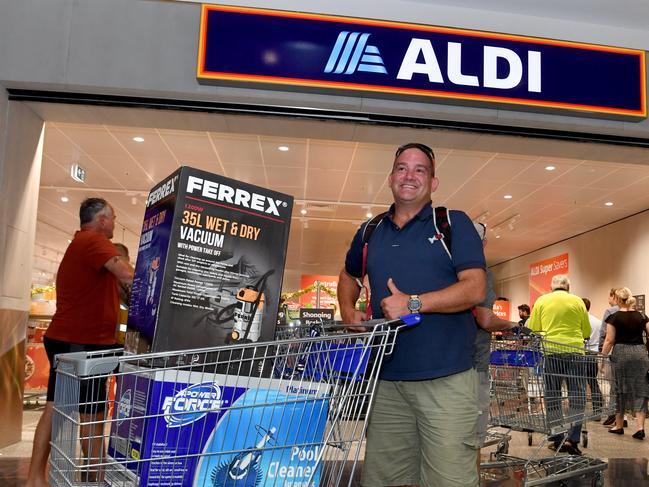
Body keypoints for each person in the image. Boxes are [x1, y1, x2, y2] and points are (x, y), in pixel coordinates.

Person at [337, 142, 486, 487]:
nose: (409, 176)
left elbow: (475, 287)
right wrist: (348, 309)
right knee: (383, 479)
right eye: (402, 168)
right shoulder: (370, 230)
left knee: (450, 480)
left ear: (433, 183)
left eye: (420, 170)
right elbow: (348, 275)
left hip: (446, 381)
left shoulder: (452, 224)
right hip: (387, 381)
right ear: (391, 177)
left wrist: (413, 304)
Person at [26, 198, 134, 487]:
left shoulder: (85, 246)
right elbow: (128, 275)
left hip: (83, 341)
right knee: (79, 411)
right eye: (112, 217)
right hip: (79, 342)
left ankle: (92, 475)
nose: (114, 222)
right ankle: (43, 476)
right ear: (101, 220)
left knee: (89, 409)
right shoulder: (94, 241)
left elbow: (118, 290)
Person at [528, 274, 591, 455]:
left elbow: (534, 328)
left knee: (553, 396)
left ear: (551, 287)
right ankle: (573, 439)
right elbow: (586, 330)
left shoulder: (542, 301)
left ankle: (556, 439)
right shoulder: (578, 301)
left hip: (551, 353)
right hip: (575, 353)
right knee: (577, 396)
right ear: (568, 287)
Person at [471, 222, 516, 471]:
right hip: (474, 364)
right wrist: (513, 326)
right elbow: (485, 319)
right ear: (484, 243)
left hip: (444, 364)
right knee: (473, 435)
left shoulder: (442, 269)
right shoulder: (480, 272)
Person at [601, 287, 649, 439]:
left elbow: (609, 341)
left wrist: (601, 358)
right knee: (641, 388)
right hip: (640, 353)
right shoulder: (642, 316)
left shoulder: (614, 317)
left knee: (619, 389)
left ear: (617, 299)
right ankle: (640, 428)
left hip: (621, 354)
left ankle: (619, 425)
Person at [599, 288, 620, 426]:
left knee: (611, 383)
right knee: (623, 385)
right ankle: (621, 417)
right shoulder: (634, 311)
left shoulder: (610, 312)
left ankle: (612, 412)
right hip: (631, 351)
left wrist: (601, 352)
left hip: (614, 350)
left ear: (613, 296)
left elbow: (604, 333)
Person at [582, 297, 603, 419]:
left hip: (582, 353)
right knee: (592, 381)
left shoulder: (579, 321)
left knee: (577, 382)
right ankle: (597, 411)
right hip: (593, 354)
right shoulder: (598, 321)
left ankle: (577, 410)